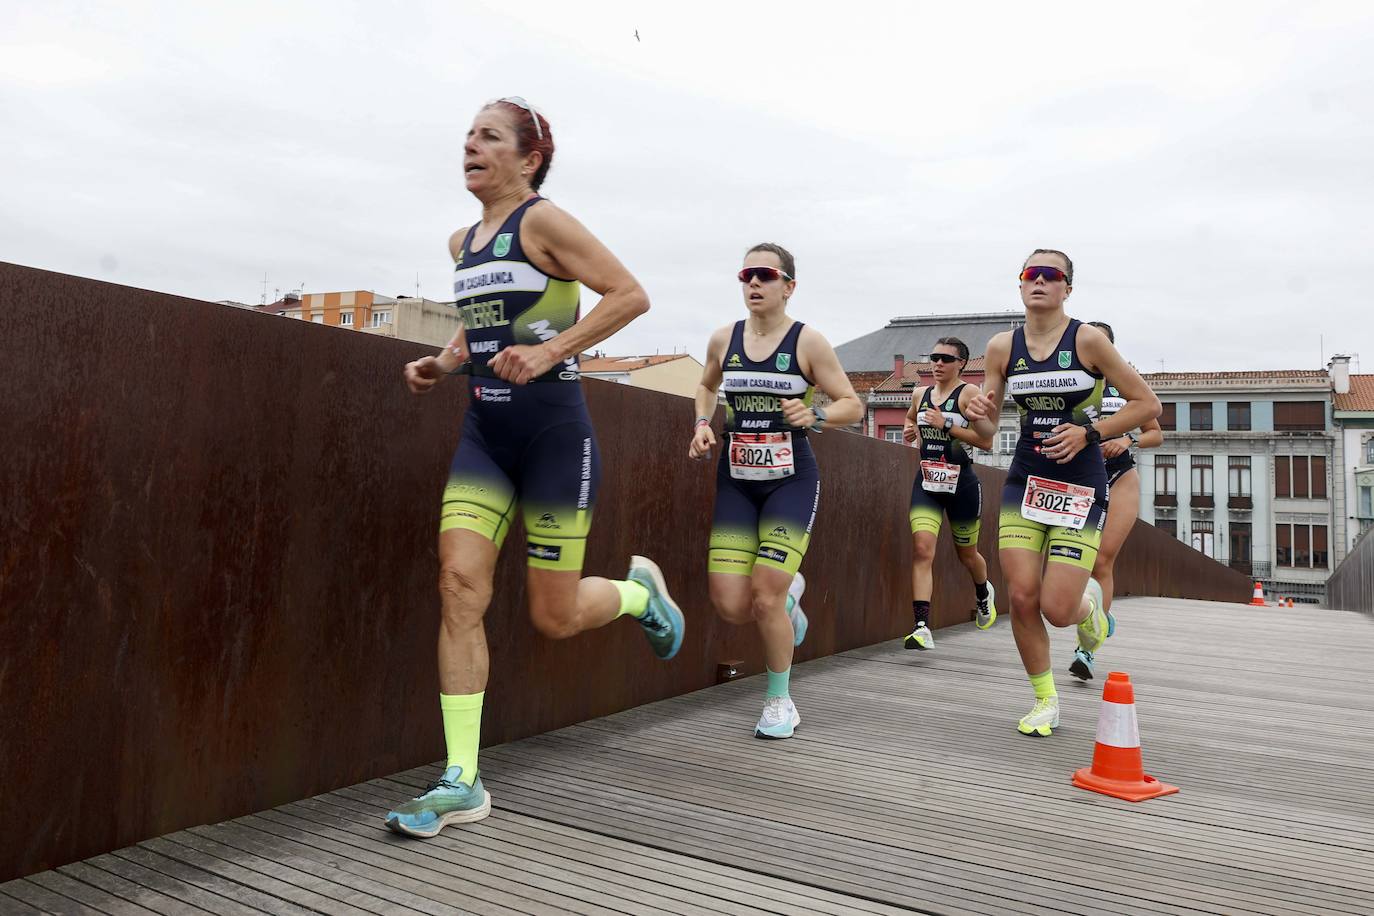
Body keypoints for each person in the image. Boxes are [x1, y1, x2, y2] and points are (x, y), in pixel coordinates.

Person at [387, 97, 685, 837]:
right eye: (467, 134)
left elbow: (630, 295)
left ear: (530, 158)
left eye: (488, 136)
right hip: (485, 434)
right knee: (458, 584)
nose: (470, 145)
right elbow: (482, 322)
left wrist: (553, 351)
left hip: (555, 434)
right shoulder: (463, 240)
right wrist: (443, 363)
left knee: (552, 619)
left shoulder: (543, 222)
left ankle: (636, 595)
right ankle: (463, 779)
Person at [965, 249, 1160, 737]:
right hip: (1025, 479)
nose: (1039, 282)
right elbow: (989, 430)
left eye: (1051, 275)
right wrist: (976, 411)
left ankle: (1089, 608)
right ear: (1021, 284)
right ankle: (1044, 699)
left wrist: (1090, 432)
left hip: (1080, 480)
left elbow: (1146, 404)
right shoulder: (1001, 348)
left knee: (1057, 607)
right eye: (1031, 274)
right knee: (1024, 597)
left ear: (1067, 288)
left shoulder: (1088, 340)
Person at [688, 243, 862, 739]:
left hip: (791, 479)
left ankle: (779, 700)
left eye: (766, 275)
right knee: (729, 603)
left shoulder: (808, 343)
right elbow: (706, 385)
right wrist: (702, 422)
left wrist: (818, 414)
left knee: (763, 595)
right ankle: (790, 599)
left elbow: (852, 403)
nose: (754, 284)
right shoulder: (725, 338)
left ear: (789, 285)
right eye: (747, 274)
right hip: (736, 479)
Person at [1068, 321, 1163, 680]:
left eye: (1102, 344)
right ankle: (1100, 616)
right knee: (1080, 560)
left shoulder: (1124, 385)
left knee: (1102, 561)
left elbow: (1155, 434)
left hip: (1120, 476)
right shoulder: (1072, 384)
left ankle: (1086, 651)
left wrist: (1128, 441)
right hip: (1079, 480)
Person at [901, 338, 998, 650]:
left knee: (967, 555)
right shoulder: (920, 394)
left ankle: (983, 593)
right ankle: (921, 626)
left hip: (962, 485)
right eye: (934, 357)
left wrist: (947, 426)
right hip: (927, 482)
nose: (938, 363)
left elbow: (986, 442)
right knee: (921, 550)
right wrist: (910, 429)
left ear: (962, 364)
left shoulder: (969, 393)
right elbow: (910, 416)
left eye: (946, 358)